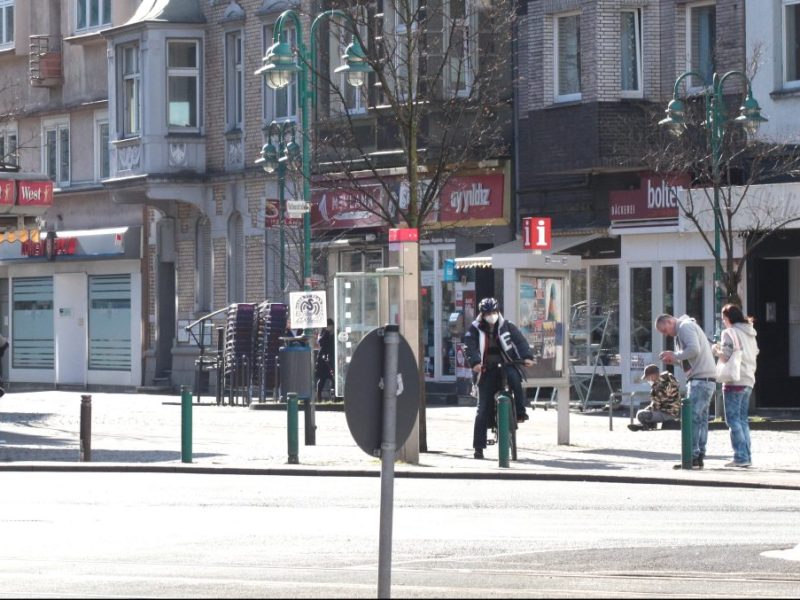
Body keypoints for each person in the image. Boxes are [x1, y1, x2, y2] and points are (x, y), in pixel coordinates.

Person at [464, 297, 534, 459]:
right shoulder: (475, 329)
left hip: (507, 364)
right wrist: (475, 363)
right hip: (486, 369)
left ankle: (520, 412)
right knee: (482, 408)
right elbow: (470, 346)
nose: (491, 315)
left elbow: (520, 342)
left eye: (494, 312)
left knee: (515, 379)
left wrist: (527, 356)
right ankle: (478, 448)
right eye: (488, 313)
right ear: (482, 314)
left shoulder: (507, 326)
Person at [656, 313, 716, 469]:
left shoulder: (684, 327)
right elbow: (691, 358)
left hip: (700, 381)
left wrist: (674, 354)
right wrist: (675, 360)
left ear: (670, 321)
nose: (667, 335)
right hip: (705, 379)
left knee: (692, 419)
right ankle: (698, 456)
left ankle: (693, 457)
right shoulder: (686, 327)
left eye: (665, 331)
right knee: (701, 420)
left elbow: (694, 350)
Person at [712, 304, 759, 468]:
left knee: (733, 420)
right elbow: (756, 352)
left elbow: (725, 357)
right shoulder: (750, 332)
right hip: (748, 379)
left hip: (734, 380)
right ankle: (746, 456)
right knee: (742, 420)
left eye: (724, 319)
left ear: (728, 318)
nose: (723, 322)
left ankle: (740, 457)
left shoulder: (729, 332)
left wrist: (715, 350)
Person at [628, 364, 681, 431]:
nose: (647, 380)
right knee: (648, 411)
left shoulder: (659, 386)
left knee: (640, 414)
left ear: (653, 376)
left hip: (667, 413)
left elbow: (656, 406)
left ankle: (646, 425)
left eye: (647, 377)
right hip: (674, 411)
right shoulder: (668, 380)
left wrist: (648, 409)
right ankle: (647, 424)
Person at [315, 319, 335, 402]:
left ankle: (334, 396)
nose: (329, 327)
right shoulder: (323, 332)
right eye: (328, 326)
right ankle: (318, 396)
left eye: (330, 326)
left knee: (333, 378)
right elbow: (321, 342)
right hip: (323, 359)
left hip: (331, 358)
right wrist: (326, 332)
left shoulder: (334, 333)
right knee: (322, 379)